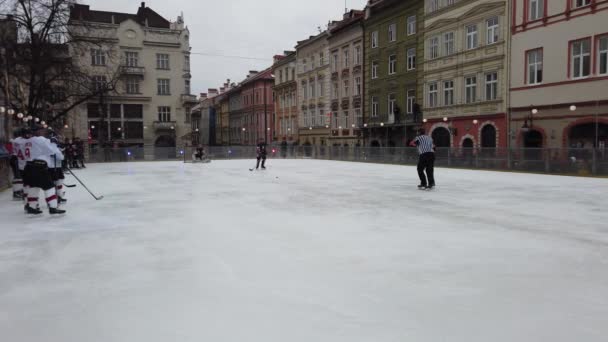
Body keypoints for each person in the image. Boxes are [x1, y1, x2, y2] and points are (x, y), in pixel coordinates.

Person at [22, 125, 66, 215]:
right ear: (38, 131)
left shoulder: (26, 141)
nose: (43, 131)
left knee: (34, 187)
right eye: (41, 130)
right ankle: (53, 207)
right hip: (39, 166)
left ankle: (32, 207)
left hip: (28, 166)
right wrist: (53, 144)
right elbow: (51, 151)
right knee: (49, 187)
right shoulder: (41, 139)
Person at [49, 133, 67, 204]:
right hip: (55, 167)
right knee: (58, 181)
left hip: (53, 167)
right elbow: (61, 157)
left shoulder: (49, 147)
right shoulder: (55, 148)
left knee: (56, 181)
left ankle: (58, 196)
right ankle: (58, 196)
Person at [8, 129, 25, 200]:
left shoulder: (14, 141)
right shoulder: (20, 140)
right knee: (18, 176)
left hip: (14, 158)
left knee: (17, 176)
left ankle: (18, 191)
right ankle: (17, 192)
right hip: (17, 159)